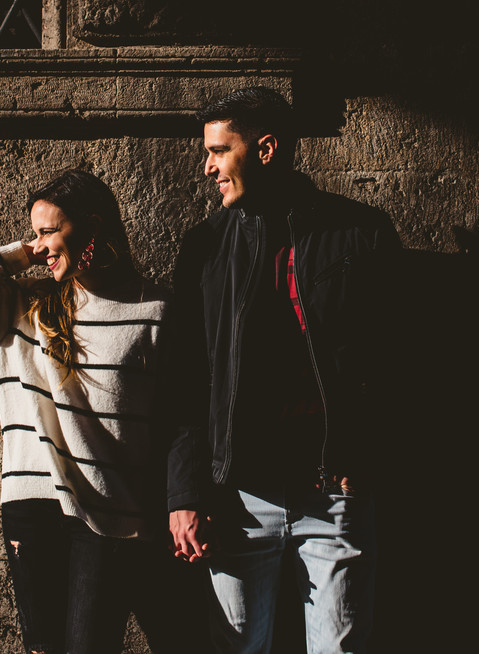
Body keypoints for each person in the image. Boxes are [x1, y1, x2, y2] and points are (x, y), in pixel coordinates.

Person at [0, 169, 207, 654]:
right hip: (31, 506)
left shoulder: (155, 308)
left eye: (48, 231)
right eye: (33, 234)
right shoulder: (23, 305)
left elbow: (180, 416)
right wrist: (23, 253)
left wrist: (181, 499)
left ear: (91, 227)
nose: (40, 245)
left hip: (109, 511)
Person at [166, 86, 402, 653]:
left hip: (335, 489)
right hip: (238, 496)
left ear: (266, 149)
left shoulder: (361, 235)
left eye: (219, 151)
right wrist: (184, 492)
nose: (208, 168)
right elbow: (186, 380)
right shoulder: (204, 248)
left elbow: (396, 361)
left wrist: (367, 453)